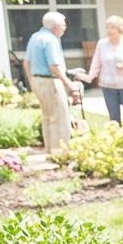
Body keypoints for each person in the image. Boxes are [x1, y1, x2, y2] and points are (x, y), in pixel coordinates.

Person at [22, 10, 81, 153]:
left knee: (48, 117)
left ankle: (50, 150)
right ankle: (59, 153)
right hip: (50, 82)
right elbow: (54, 67)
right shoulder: (51, 40)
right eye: (63, 24)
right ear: (55, 27)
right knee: (60, 118)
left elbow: (26, 63)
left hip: (37, 81)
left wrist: (32, 81)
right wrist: (69, 84)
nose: (65, 27)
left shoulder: (35, 37)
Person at [71, 14, 123, 123]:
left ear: (120, 29)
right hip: (108, 87)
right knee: (113, 118)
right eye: (107, 27)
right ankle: (116, 139)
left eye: (112, 27)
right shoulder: (102, 44)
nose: (109, 30)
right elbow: (96, 64)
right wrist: (89, 77)